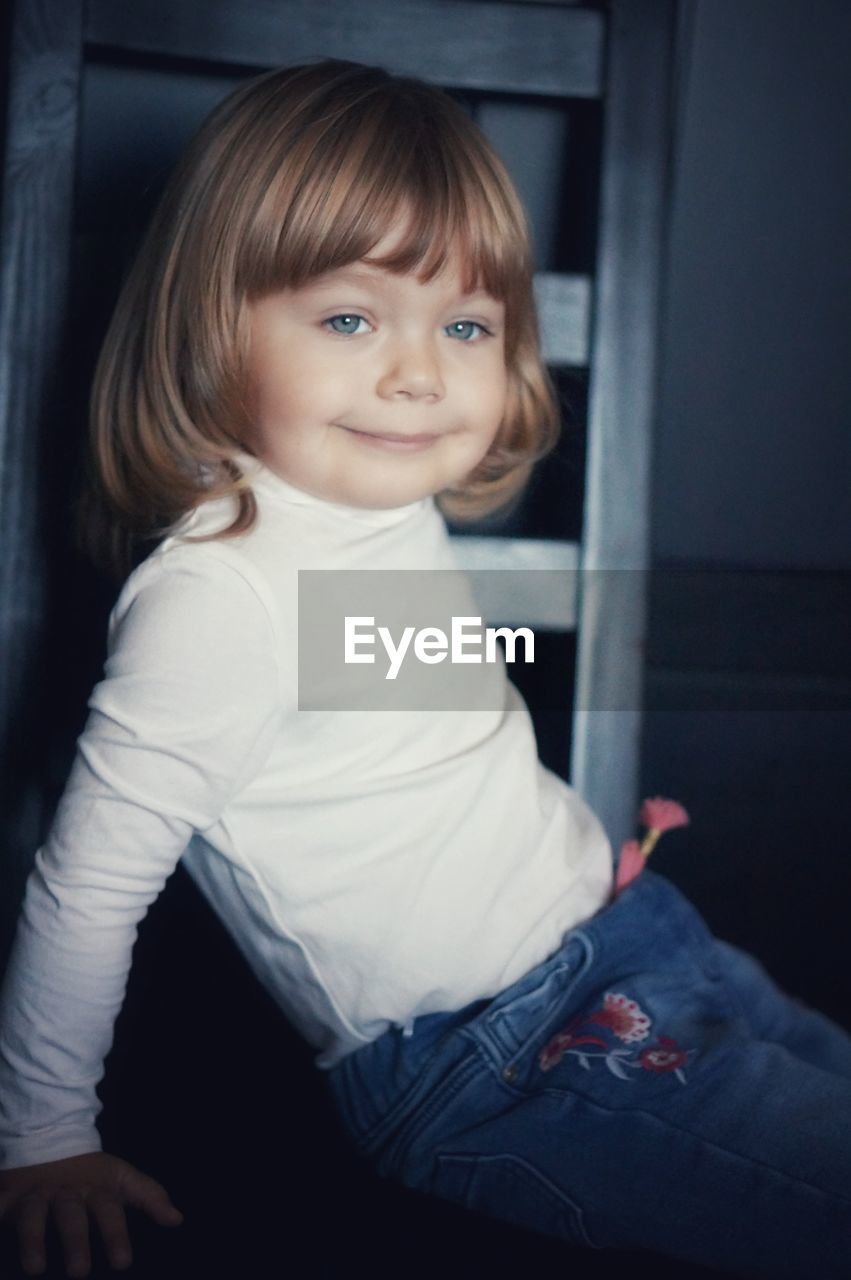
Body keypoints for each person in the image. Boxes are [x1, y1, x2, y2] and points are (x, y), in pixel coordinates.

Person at [0, 58, 849, 1280]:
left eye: (464, 326)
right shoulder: (219, 596)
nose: (418, 373)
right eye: (349, 319)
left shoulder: (370, 488)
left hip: (633, 939)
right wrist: (40, 1137)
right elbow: (85, 886)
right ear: (209, 329)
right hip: (499, 1055)